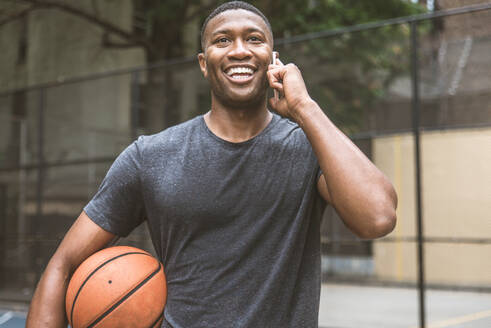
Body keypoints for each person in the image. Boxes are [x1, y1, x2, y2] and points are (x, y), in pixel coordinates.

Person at [26, 1, 397, 327]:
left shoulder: (308, 147)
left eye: (254, 39)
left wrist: (305, 108)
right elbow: (64, 264)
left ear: (272, 59)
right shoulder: (151, 155)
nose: (239, 50)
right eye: (223, 40)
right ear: (204, 64)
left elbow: (378, 217)